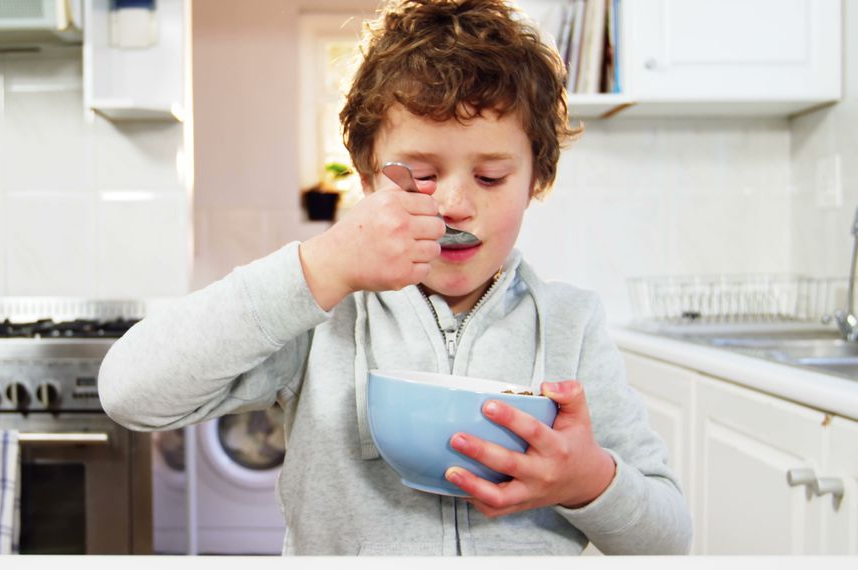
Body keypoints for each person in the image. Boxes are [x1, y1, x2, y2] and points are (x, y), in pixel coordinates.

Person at [99, 0, 692, 556]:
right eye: (421, 175)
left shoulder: (571, 324)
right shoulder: (325, 315)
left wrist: (587, 480)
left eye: (490, 177)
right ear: (366, 176)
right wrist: (321, 266)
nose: (456, 205)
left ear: (537, 178)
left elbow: (669, 539)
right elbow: (129, 391)